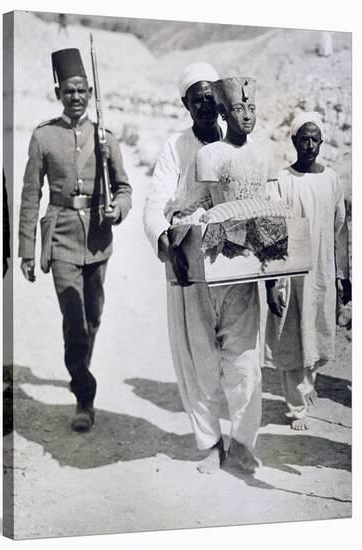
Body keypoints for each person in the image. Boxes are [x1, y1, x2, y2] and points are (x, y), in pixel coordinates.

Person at [18, 48, 132, 432]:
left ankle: (80, 374)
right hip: (62, 236)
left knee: (92, 318)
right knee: (74, 320)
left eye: (82, 90)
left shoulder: (105, 137)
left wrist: (119, 207)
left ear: (90, 91)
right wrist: (27, 251)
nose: (76, 97)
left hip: (98, 239)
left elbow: (124, 187)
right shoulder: (43, 136)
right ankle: (85, 396)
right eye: (69, 91)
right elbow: (31, 196)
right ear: (58, 94)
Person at [143, 62, 227, 474]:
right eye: (199, 100)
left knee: (241, 355)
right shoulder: (175, 147)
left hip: (235, 263)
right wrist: (163, 238)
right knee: (197, 355)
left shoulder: (240, 140)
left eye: (212, 97)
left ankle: (245, 437)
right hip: (187, 262)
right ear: (186, 105)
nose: (207, 106)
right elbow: (156, 201)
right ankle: (211, 442)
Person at [194, 76, 279, 473]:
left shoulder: (265, 157)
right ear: (224, 112)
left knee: (245, 362)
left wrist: (276, 277)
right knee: (208, 359)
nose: (247, 116)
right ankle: (211, 446)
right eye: (239, 110)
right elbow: (198, 207)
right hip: (212, 270)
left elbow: (275, 213)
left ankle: (244, 443)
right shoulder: (210, 155)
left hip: (248, 272)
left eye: (252, 109)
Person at [265, 111, 351, 430]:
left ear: (322, 141)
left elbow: (339, 228)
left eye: (315, 138)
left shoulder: (330, 179)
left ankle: (307, 386)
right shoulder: (283, 180)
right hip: (291, 270)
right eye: (305, 138)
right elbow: (272, 230)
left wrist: (343, 275)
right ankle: (298, 404)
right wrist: (272, 282)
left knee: (317, 330)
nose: (310, 144)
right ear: (294, 141)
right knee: (291, 332)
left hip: (322, 270)